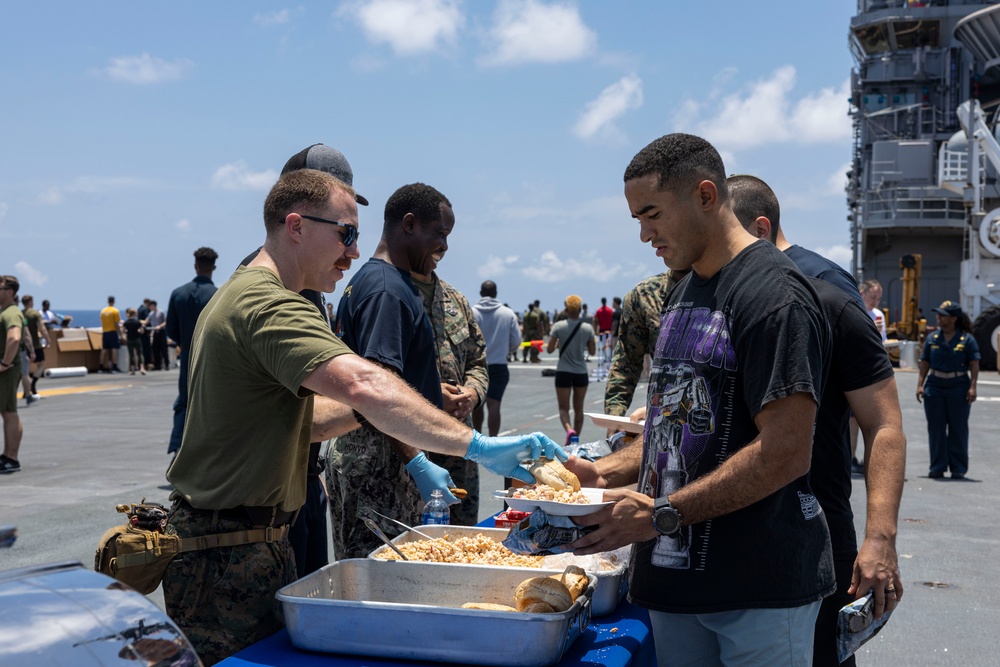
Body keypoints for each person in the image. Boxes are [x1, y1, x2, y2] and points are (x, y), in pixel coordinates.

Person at [162, 169, 564, 663]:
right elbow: (363, 383)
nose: (354, 251)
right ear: (296, 226)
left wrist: (397, 409)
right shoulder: (268, 304)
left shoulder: (256, 295)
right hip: (225, 551)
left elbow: (312, 419)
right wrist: (475, 446)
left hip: (245, 542)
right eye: (346, 233)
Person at [566, 133, 834, 666]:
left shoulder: (773, 294)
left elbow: (785, 450)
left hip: (758, 591)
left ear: (706, 197)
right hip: (677, 589)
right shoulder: (686, 288)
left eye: (652, 214)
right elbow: (677, 432)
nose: (644, 235)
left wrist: (665, 513)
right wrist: (602, 474)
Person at [730, 173, 905, 667]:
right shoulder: (736, 287)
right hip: (746, 519)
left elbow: (879, 420)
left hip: (815, 515)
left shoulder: (825, 289)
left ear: (759, 229)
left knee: (822, 653)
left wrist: (880, 537)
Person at [328, 182, 465, 557]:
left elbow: (385, 372)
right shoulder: (387, 289)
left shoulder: (379, 281)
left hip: (377, 458)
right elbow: (377, 392)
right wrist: (417, 462)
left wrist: (430, 391)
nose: (444, 246)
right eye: (440, 233)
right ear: (409, 224)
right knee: (380, 584)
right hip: (381, 466)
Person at [415, 265, 489, 527]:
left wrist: (472, 392)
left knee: (462, 541)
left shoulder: (455, 300)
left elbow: (477, 362)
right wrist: (432, 396)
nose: (443, 245)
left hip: (458, 448)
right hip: (408, 449)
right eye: (438, 234)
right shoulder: (390, 295)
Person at [917, 300, 980, 479]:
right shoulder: (933, 338)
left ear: (953, 319)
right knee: (936, 428)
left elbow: (974, 364)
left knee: (958, 429)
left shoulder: (967, 339)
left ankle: (958, 468)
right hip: (935, 386)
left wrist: (973, 387)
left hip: (958, 387)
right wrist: (920, 384)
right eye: (938, 314)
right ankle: (937, 466)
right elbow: (925, 363)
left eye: (942, 315)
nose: (938, 318)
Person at [165, 247, 219, 456]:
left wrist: (186, 344)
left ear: (196, 265)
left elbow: (170, 328)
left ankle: (178, 448)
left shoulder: (178, 294)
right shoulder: (217, 296)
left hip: (188, 354)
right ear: (213, 267)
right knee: (209, 405)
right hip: (211, 357)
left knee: (184, 402)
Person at [603, 270, 676, 418]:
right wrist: (615, 416)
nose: (649, 244)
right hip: (662, 422)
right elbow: (627, 361)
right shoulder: (645, 295)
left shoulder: (731, 288)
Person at [472, 280, 521, 437]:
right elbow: (516, 341)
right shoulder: (507, 313)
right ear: (496, 294)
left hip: (477, 365)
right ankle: (493, 441)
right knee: (495, 406)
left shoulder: (471, 312)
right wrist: (505, 350)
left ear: (481, 293)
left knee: (477, 404)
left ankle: (477, 439)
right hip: (499, 365)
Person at [547, 295, 595, 444]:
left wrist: (557, 345)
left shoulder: (558, 326)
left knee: (563, 408)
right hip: (580, 371)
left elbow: (549, 349)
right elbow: (592, 352)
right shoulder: (587, 328)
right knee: (579, 408)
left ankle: (569, 430)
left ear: (566, 309)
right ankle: (575, 438)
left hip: (563, 371)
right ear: (580, 309)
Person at [1, 276, 25, 474]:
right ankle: (7, 455)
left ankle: (11, 458)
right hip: (6, 369)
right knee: (7, 412)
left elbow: (14, 338)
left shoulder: (11, 312)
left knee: (9, 412)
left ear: (10, 292)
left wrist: (4, 363)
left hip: (6, 371)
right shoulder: (5, 312)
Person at [20, 295, 47, 404]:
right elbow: (42, 328)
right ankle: (32, 385)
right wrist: (48, 340)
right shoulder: (35, 314)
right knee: (41, 365)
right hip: (34, 344)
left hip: (22, 346)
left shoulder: (21, 313)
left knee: (23, 371)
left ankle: (27, 390)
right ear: (30, 301)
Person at [99, 296, 124, 373]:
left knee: (104, 349)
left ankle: (101, 367)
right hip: (112, 332)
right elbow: (116, 324)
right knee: (114, 349)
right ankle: (114, 366)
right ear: (114, 301)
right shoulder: (115, 311)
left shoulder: (103, 311)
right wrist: (121, 334)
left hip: (105, 332)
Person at [122, 308, 146, 375]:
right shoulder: (138, 322)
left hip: (129, 339)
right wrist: (138, 331)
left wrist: (126, 333)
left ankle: (132, 370)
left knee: (131, 354)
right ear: (135, 314)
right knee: (140, 354)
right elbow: (142, 331)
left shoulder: (126, 322)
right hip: (137, 338)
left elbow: (123, 331)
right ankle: (142, 368)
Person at [146, 301, 168, 371]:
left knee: (164, 348)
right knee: (155, 349)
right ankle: (157, 365)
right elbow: (146, 321)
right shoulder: (151, 313)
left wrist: (160, 326)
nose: (150, 307)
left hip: (161, 332)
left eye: (150, 306)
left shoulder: (161, 312)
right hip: (154, 332)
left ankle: (166, 364)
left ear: (154, 305)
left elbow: (166, 321)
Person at [137, 298, 153, 370]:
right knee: (146, 348)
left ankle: (140, 364)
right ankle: (147, 363)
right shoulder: (146, 310)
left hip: (140, 330)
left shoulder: (139, 309)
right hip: (146, 331)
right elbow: (147, 320)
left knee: (141, 348)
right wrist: (149, 330)